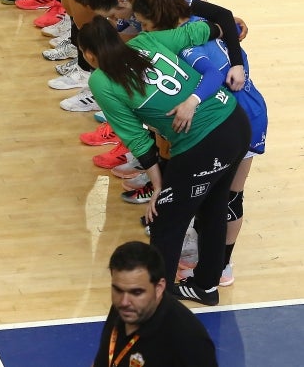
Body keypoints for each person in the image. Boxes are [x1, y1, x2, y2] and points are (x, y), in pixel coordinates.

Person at [78, 16, 251, 305]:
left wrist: (158, 186)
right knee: (213, 209)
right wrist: (225, 26)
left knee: (165, 220)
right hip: (235, 122)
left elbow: (137, 139)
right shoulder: (145, 41)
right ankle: (206, 287)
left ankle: (158, 300)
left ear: (90, 54)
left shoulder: (101, 80)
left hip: (205, 143)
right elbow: (195, 32)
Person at [93, 241, 217, 367]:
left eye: (136, 292)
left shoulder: (190, 341)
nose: (124, 302)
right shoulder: (125, 308)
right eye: (118, 290)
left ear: (159, 288)